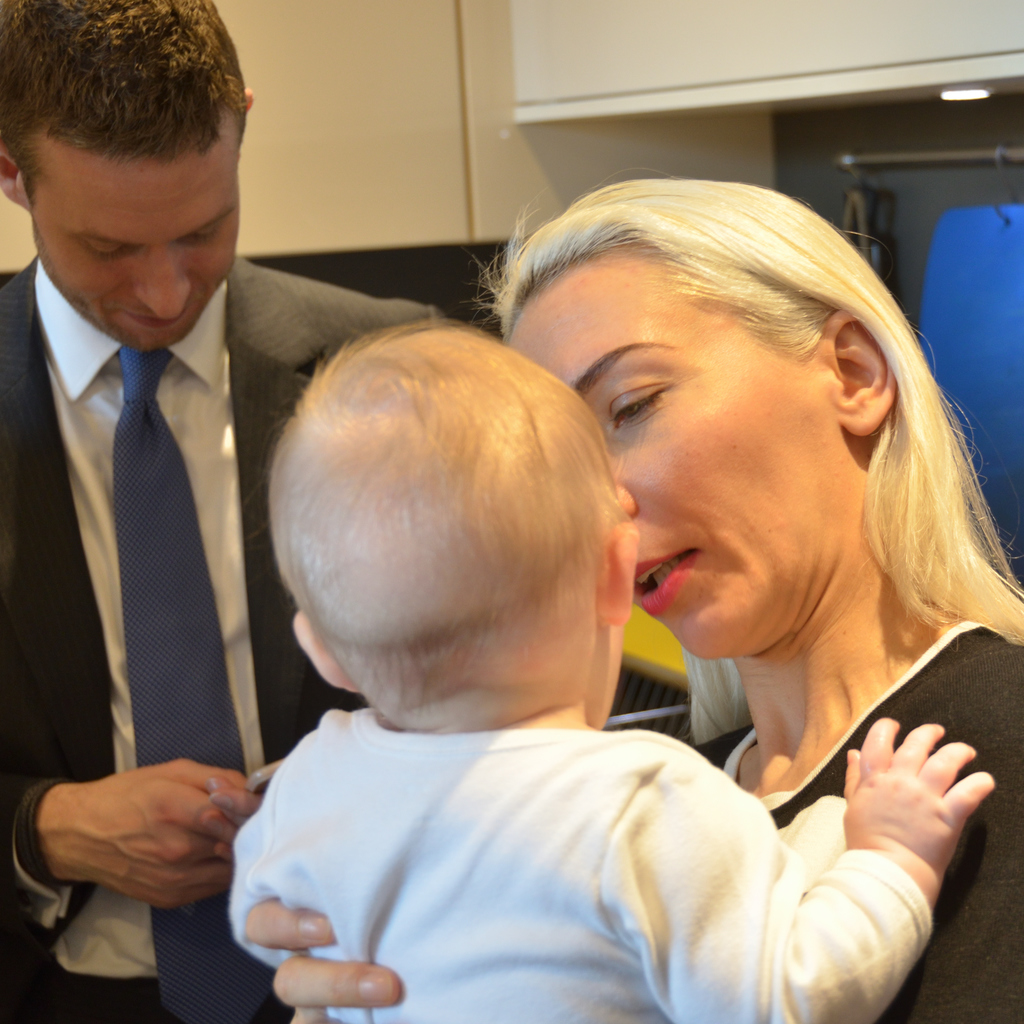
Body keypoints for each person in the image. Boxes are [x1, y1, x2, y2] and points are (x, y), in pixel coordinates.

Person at [245, 180, 1024, 1023]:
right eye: (552, 472)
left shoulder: (994, 744)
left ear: (853, 372)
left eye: (632, 406)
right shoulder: (638, 799)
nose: (594, 505)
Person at [0, 1, 435, 1022]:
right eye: (109, 247)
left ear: (242, 121)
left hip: (361, 986)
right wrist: (41, 831)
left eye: (203, 232)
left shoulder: (395, 367)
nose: (163, 293)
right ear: (12, 174)